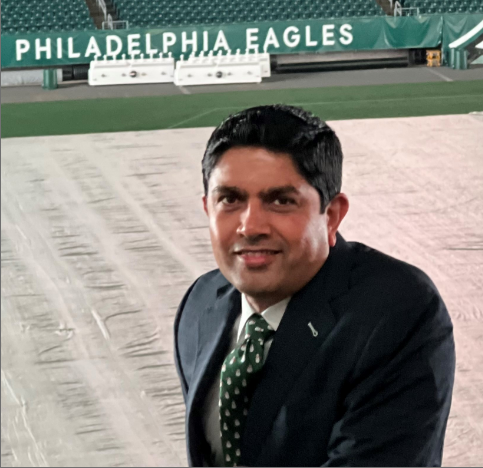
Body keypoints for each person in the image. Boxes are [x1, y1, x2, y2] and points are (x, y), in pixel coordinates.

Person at [173, 104, 455, 467]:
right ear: (207, 209)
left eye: (281, 201)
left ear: (332, 215)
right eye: (230, 199)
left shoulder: (396, 312)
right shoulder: (199, 305)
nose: (250, 226)